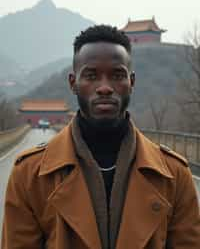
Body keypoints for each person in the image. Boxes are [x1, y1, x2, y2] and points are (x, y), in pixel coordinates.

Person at [1, 25, 200, 249]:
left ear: (131, 82)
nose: (104, 87)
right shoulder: (29, 176)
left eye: (117, 75)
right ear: (73, 83)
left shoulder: (173, 176)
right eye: (91, 75)